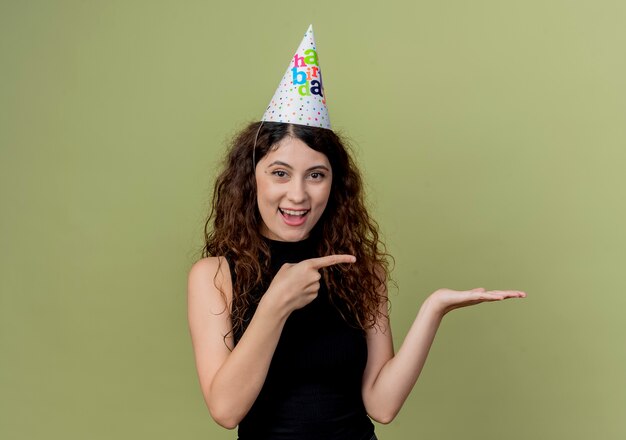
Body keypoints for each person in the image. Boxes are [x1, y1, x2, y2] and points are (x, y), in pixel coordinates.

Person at [187, 26, 526, 440]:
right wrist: (276, 303)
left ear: (335, 184)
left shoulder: (360, 271)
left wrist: (433, 310)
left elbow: (381, 406)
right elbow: (225, 409)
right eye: (279, 173)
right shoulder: (215, 276)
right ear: (250, 179)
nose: (298, 194)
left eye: (316, 175)